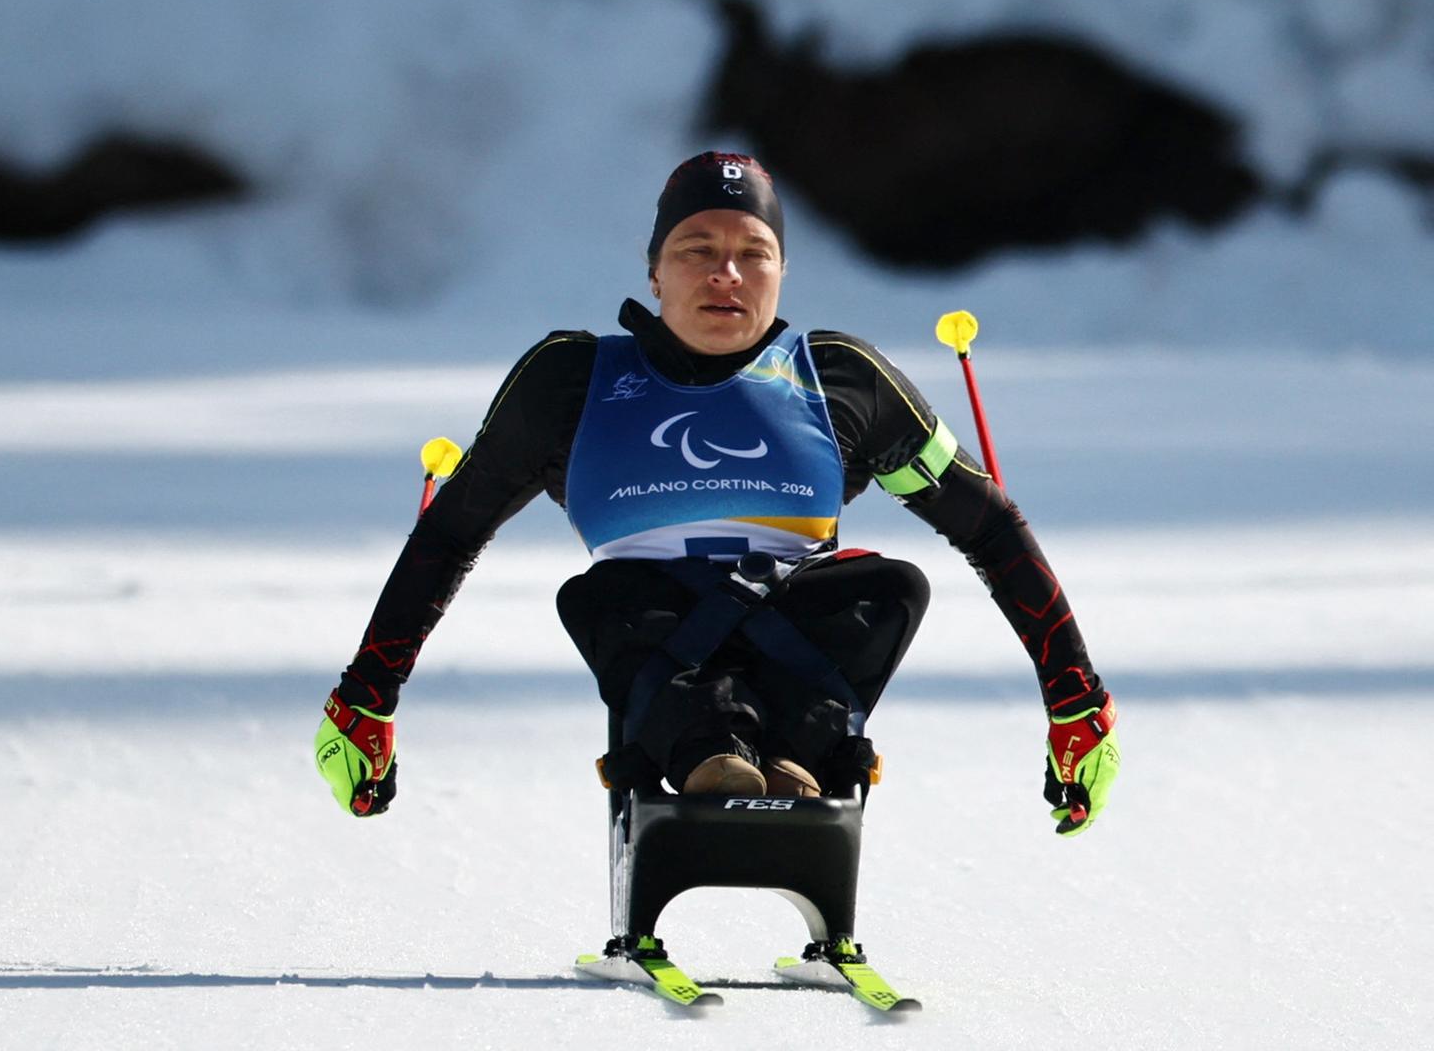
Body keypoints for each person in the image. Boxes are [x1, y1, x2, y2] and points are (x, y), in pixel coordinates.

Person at [314, 151, 1120, 835]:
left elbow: (987, 525)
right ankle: (714, 756)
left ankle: (796, 761)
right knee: (601, 597)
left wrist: (1076, 702)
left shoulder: (842, 379)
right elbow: (452, 533)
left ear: (782, 272)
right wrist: (366, 701)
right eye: (697, 248)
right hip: (651, 634)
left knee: (893, 587)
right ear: (655, 270)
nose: (725, 273)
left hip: (799, 644)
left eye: (752, 252)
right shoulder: (570, 380)